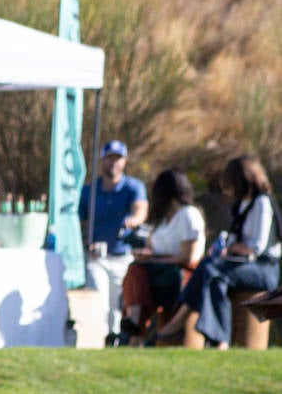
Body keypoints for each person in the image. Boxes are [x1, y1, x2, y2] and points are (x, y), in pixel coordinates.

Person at [155, 155, 280, 347]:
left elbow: (256, 247)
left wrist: (230, 249)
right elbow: (233, 237)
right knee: (214, 277)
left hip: (264, 269)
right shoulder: (241, 205)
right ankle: (219, 340)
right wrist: (222, 249)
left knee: (211, 269)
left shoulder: (261, 203)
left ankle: (181, 321)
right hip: (241, 265)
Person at [120, 169, 205, 346]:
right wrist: (147, 256)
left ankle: (134, 328)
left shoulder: (188, 214)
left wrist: (155, 260)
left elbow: (188, 257)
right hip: (160, 269)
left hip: (183, 273)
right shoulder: (163, 220)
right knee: (136, 271)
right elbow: (153, 247)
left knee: (137, 274)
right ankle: (135, 327)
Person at [79, 140, 148, 345]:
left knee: (118, 304)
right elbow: (79, 222)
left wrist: (134, 220)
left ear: (124, 162)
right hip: (96, 257)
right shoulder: (89, 191)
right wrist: (85, 241)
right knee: (100, 299)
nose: (114, 163)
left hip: (122, 255)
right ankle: (100, 338)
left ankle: (115, 339)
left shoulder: (133, 187)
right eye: (110, 158)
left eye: (118, 159)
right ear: (102, 161)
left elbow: (140, 210)